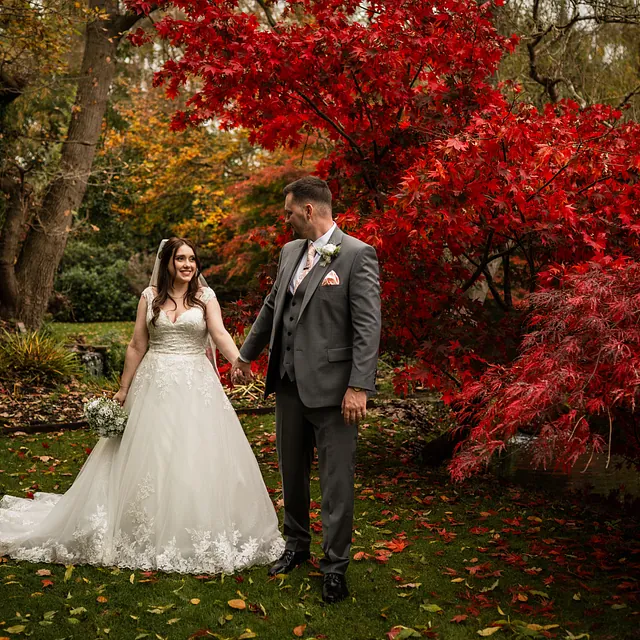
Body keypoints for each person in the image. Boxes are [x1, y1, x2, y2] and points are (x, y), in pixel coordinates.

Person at [0, 237, 284, 573]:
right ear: (167, 263)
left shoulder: (206, 297)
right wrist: (123, 388)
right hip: (154, 383)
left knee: (195, 452)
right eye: (180, 259)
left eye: (192, 259)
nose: (188, 265)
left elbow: (219, 334)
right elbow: (137, 344)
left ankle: (191, 524)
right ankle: (141, 525)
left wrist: (239, 361)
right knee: (153, 451)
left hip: (196, 384)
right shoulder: (149, 297)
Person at [232, 176, 381, 604]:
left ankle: (335, 567)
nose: (286, 218)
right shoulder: (289, 253)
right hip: (288, 384)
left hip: (336, 392)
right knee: (291, 475)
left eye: (289, 211)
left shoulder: (357, 255)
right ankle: (296, 546)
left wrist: (358, 386)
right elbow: (271, 306)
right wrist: (246, 356)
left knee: (336, 483)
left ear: (310, 210)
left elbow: (368, 328)